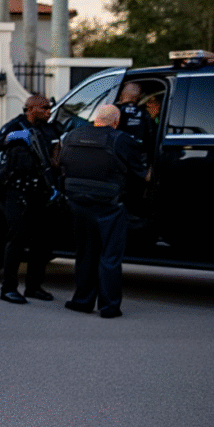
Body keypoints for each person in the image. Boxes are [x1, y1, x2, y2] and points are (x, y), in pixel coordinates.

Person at [59, 105, 147, 319]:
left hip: (78, 204)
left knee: (85, 254)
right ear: (116, 122)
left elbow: (61, 164)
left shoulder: (72, 135)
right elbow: (141, 173)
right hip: (108, 206)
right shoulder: (121, 139)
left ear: (95, 119)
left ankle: (82, 302)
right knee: (109, 256)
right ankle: (109, 307)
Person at [0, 94, 63, 304]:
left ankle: (34, 286)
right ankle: (8, 288)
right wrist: (13, 137)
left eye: (49, 108)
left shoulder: (50, 129)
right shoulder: (15, 126)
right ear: (30, 109)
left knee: (42, 242)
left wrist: (56, 159)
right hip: (18, 191)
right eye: (44, 108)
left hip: (42, 192)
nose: (48, 111)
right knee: (16, 241)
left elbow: (56, 156)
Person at [115, 82, 154, 162]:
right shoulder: (145, 113)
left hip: (120, 156)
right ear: (139, 97)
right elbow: (151, 136)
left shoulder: (116, 111)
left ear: (121, 96)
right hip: (139, 157)